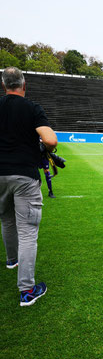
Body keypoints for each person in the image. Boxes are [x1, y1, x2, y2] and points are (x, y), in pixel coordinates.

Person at [0, 67, 57, 306]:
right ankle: (27, 290)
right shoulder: (32, 107)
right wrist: (47, 150)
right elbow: (50, 140)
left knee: (6, 220)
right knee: (27, 232)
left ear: (4, 86)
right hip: (24, 174)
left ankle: (11, 260)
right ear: (24, 85)